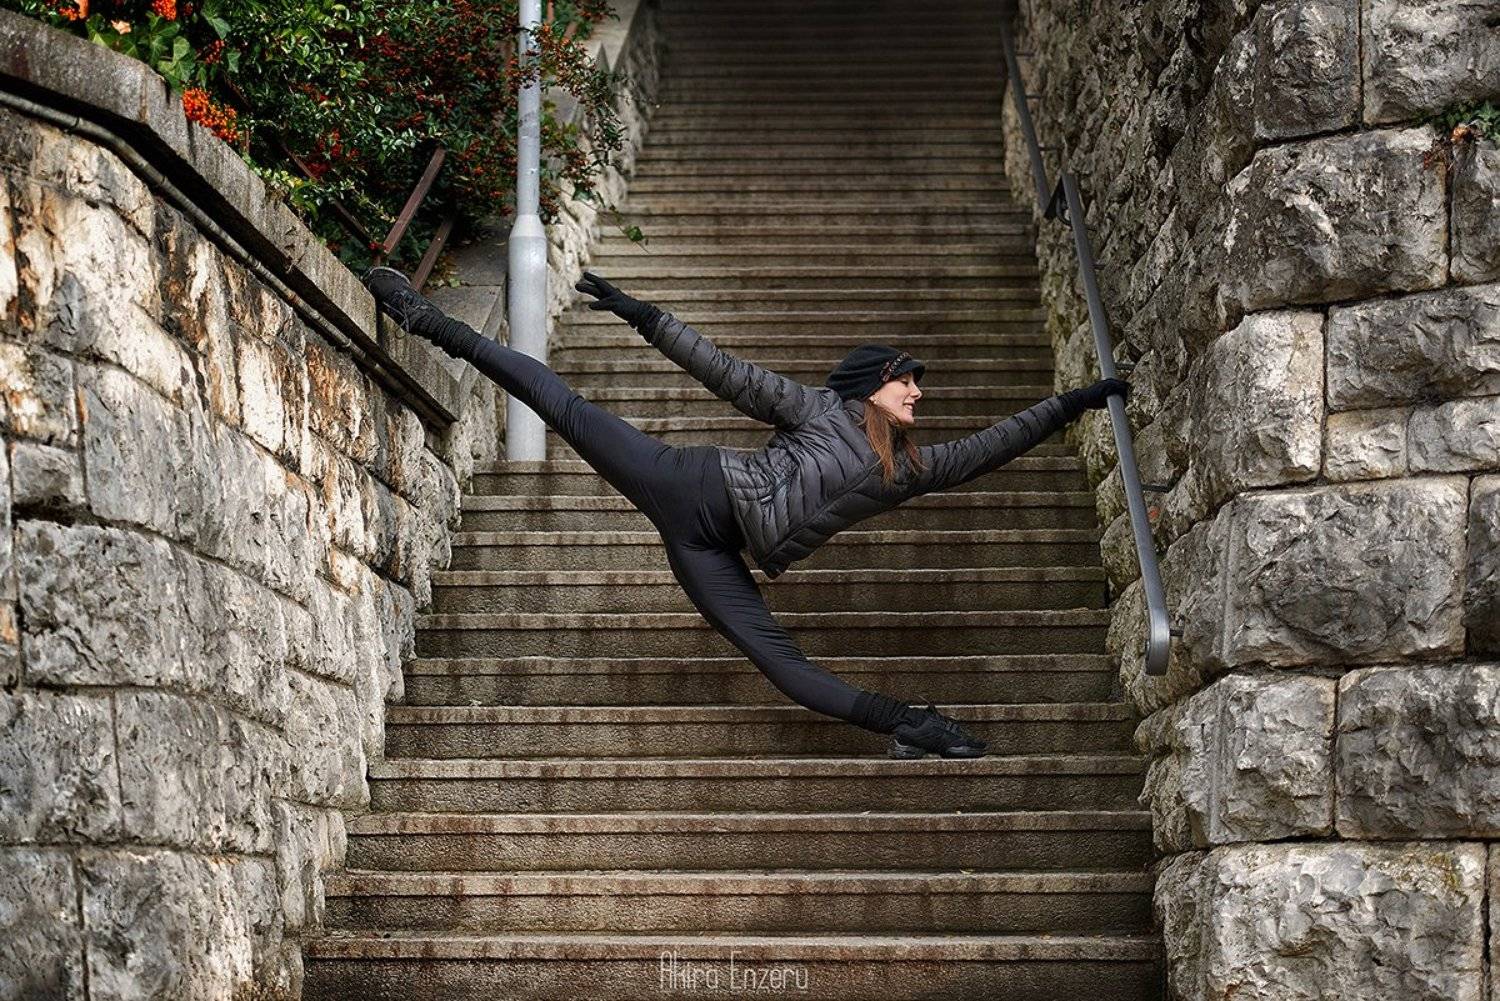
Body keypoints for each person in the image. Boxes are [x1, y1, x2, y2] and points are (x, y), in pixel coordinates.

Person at [363, 267, 1129, 759]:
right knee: (564, 405)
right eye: (908, 383)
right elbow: (727, 373)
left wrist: (1074, 402)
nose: (919, 394)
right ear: (873, 385)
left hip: (714, 550)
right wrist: (644, 315)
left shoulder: (910, 468)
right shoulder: (818, 408)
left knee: (785, 669)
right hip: (696, 486)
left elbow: (994, 444)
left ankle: (915, 724)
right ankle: (424, 316)